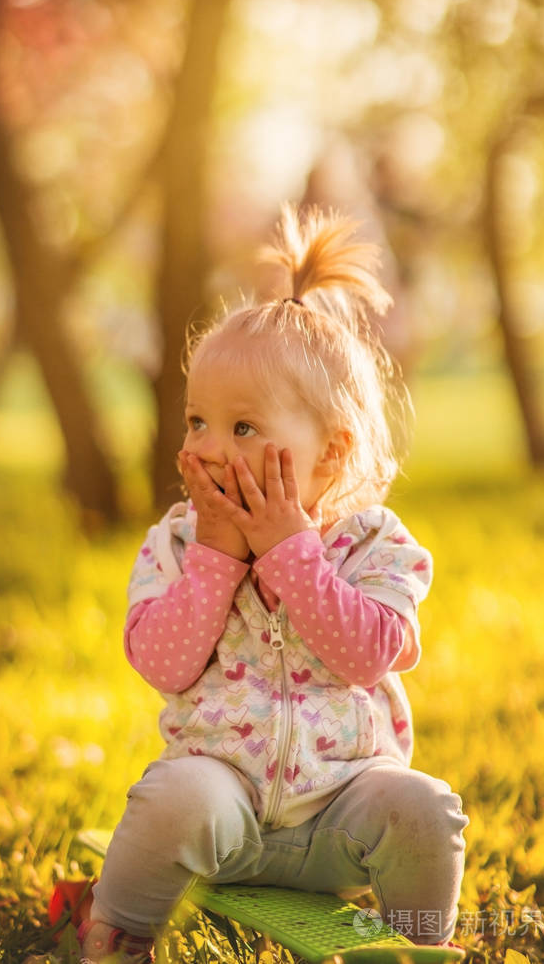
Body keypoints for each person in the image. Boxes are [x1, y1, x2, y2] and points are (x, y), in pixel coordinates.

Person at [78, 205, 469, 963]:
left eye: (244, 428)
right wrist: (218, 560)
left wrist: (291, 553)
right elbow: (161, 663)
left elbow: (367, 655)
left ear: (330, 452)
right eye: (198, 422)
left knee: (427, 808)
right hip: (225, 809)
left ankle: (426, 942)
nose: (211, 449)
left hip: (344, 811)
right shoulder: (180, 542)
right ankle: (117, 936)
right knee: (170, 797)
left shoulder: (378, 545)